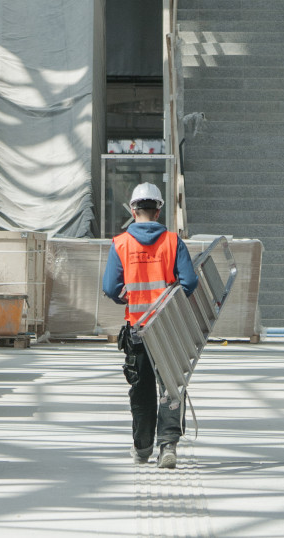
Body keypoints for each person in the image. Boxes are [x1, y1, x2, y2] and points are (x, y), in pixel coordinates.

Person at [102, 181, 198, 470]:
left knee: (141, 389)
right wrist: (169, 302)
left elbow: (110, 287)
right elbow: (190, 282)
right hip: (168, 329)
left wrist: (129, 298)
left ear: (133, 210)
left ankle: (142, 447)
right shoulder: (172, 242)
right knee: (170, 387)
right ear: (158, 211)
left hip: (138, 330)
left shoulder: (120, 244)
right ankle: (167, 446)